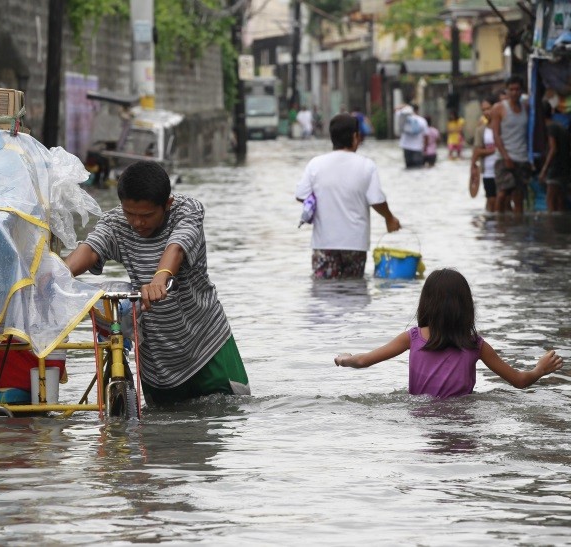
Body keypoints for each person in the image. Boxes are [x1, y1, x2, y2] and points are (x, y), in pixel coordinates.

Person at [63, 160, 250, 406]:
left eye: (147, 215)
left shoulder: (187, 211)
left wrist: (160, 277)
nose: (137, 223)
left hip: (206, 345)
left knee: (229, 414)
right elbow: (90, 249)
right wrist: (57, 276)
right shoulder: (116, 223)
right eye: (130, 214)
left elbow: (178, 246)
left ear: (167, 204)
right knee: (159, 435)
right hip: (157, 360)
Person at [334, 268, 564, 398]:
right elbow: (519, 381)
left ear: (426, 303)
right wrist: (539, 370)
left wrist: (344, 359)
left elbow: (363, 361)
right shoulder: (476, 345)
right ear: (466, 306)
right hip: (463, 417)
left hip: (420, 417)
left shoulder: (412, 338)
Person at [294, 113, 401, 279]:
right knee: (353, 292)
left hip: (324, 243)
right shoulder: (366, 166)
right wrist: (389, 218)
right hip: (355, 243)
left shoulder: (316, 164)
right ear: (355, 136)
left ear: (332, 138)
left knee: (324, 294)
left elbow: (301, 195)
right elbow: (377, 201)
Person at [489, 75, 531, 214]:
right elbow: (496, 135)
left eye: (517, 89)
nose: (514, 92)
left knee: (518, 196)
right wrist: (506, 156)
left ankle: (518, 228)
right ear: (506, 91)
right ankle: (499, 227)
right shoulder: (499, 108)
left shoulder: (526, 107)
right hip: (504, 158)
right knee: (502, 193)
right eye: (511, 89)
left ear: (521, 90)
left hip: (522, 157)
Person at [538, 100, 570, 212]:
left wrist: (544, 170)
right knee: (560, 201)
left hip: (555, 169)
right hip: (564, 169)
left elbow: (553, 149)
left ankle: (551, 226)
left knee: (550, 200)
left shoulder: (550, 128)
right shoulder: (561, 127)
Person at [469, 96, 499, 212]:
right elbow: (476, 151)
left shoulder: (502, 127)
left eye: (489, 108)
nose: (486, 112)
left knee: (501, 201)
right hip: (488, 172)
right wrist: (473, 169)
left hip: (502, 171)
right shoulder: (481, 130)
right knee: (491, 200)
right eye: (483, 110)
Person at [395, 103, 427, 168]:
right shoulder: (422, 120)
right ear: (418, 110)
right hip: (418, 147)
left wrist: (406, 105)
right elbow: (426, 135)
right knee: (418, 168)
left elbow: (396, 108)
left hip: (406, 147)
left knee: (408, 168)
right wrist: (425, 148)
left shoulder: (403, 117)